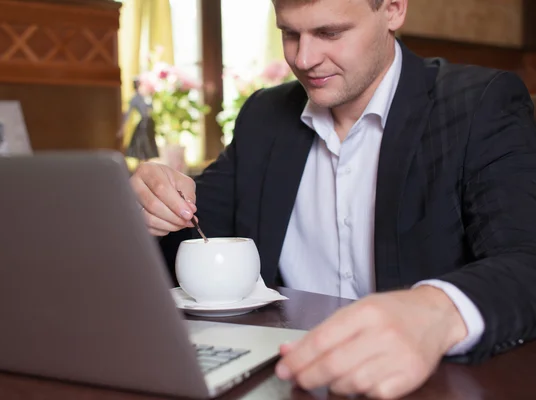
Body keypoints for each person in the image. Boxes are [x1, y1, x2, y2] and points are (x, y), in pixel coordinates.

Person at [130, 0, 536, 398]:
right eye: (289, 33)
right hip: (287, 377)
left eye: (329, 33)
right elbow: (192, 238)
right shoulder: (265, 115)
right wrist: (148, 205)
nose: (304, 58)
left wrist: (433, 312)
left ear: (394, 9)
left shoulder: (479, 104)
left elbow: (525, 260)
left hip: (425, 384)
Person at [119, 78, 159, 160]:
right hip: (144, 122)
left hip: (149, 122)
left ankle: (147, 159)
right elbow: (128, 113)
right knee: (141, 141)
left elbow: (150, 108)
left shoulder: (144, 97)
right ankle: (142, 160)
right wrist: (123, 126)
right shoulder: (135, 98)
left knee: (148, 141)